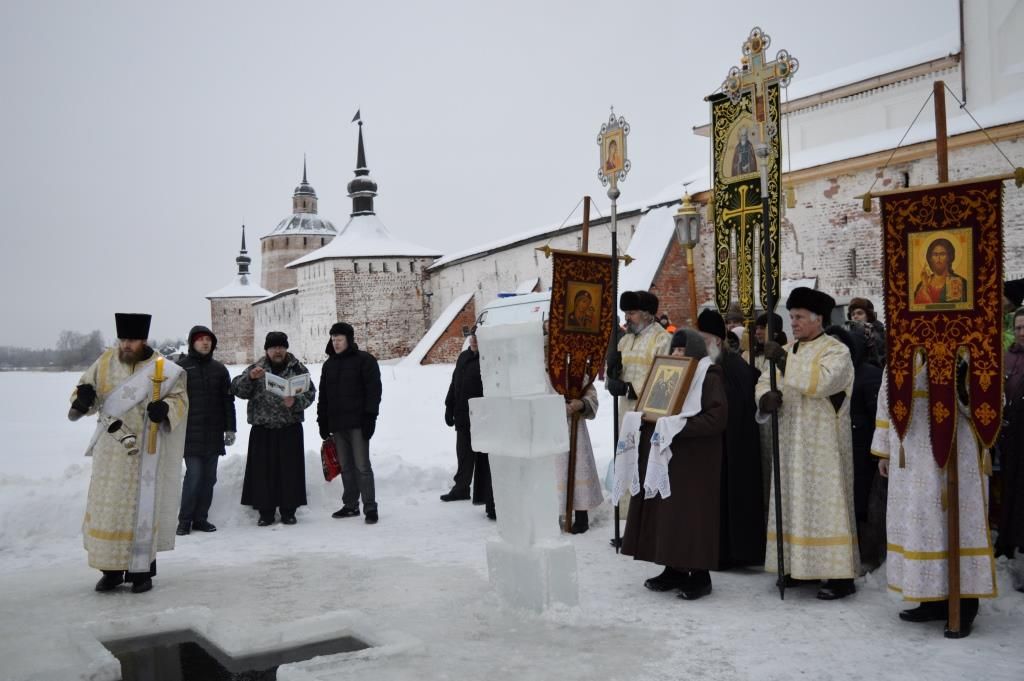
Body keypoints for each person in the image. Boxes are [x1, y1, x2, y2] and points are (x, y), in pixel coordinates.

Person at [872, 354, 996, 637]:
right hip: (911, 461)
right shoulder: (902, 355)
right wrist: (884, 451)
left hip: (954, 457)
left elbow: (990, 407)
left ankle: (964, 605)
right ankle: (933, 599)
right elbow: (885, 402)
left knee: (955, 527)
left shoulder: (967, 352)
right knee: (922, 529)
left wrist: (964, 387)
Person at [69, 313, 188, 594]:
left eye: (131, 340)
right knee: (108, 511)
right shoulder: (105, 361)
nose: (125, 345)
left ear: (143, 340)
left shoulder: (163, 368)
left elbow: (179, 398)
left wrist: (165, 409)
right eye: (122, 339)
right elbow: (87, 390)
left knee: (141, 510)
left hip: (146, 450)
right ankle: (109, 571)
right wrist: (83, 398)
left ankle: (141, 572)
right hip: (111, 450)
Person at [756, 287, 859, 600]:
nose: (794, 322)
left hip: (822, 445)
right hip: (790, 441)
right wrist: (765, 398)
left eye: (799, 317)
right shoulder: (787, 349)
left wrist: (785, 362)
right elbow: (763, 381)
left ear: (819, 319)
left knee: (825, 505)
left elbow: (822, 382)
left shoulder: (836, 350)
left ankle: (839, 576)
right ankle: (796, 567)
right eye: (792, 317)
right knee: (792, 502)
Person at [621, 329, 727, 599]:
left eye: (682, 350)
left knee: (691, 518)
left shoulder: (709, 375)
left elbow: (717, 418)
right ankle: (674, 568)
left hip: (695, 461)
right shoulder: (667, 372)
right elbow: (658, 407)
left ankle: (700, 576)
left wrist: (678, 427)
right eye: (675, 350)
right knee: (668, 516)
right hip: (669, 457)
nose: (678, 355)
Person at [697, 309, 765, 568]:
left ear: (716, 340)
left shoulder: (734, 366)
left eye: (704, 340)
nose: (701, 346)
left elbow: (738, 404)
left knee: (735, 497)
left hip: (737, 444)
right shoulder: (711, 363)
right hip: (717, 442)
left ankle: (736, 553)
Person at [232, 332, 315, 526]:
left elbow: (311, 393)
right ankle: (265, 512)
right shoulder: (256, 368)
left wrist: (295, 401)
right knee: (263, 473)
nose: (278, 351)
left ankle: (289, 511)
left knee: (290, 472)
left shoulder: (298, 368)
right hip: (263, 428)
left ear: (286, 348)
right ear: (267, 350)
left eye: (281, 347)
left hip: (289, 427)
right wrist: (250, 379)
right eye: (273, 347)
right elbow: (237, 389)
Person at [827, 323, 884, 569]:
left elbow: (876, 415)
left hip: (863, 451)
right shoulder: (832, 375)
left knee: (863, 504)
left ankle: (868, 555)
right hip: (838, 448)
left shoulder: (868, 374)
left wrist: (875, 449)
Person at [318, 322, 383, 525]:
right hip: (338, 424)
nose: (336, 343)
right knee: (346, 467)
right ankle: (351, 505)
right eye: (333, 339)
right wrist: (322, 421)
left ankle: (370, 507)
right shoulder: (328, 365)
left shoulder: (365, 360)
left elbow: (374, 391)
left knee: (362, 466)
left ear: (349, 340)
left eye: (339, 339)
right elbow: (324, 397)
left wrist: (370, 417)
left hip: (358, 422)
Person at [175, 325, 235, 536]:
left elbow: (228, 400)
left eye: (208, 339)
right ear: (192, 343)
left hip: (213, 433)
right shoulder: (181, 368)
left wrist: (230, 428)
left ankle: (201, 518)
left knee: (209, 478)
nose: (205, 342)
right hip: (189, 433)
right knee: (194, 475)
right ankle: (184, 521)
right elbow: (172, 400)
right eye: (200, 339)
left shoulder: (219, 369)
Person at [442, 327, 494, 519]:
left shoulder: (487, 359)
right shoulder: (463, 357)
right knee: (463, 453)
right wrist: (449, 406)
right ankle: (461, 488)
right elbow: (454, 382)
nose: (474, 340)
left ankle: (487, 494)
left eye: (478, 338)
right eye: (472, 337)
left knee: (482, 458)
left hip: (481, 416)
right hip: (463, 415)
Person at [745, 311, 786, 519]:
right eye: (757, 328)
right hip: (757, 421)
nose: (759, 332)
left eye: (763, 328)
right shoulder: (748, 354)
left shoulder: (785, 353)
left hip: (778, 422)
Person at [996, 307, 1024, 568]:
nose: (1021, 332)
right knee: (1009, 489)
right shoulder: (1006, 357)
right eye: (1017, 327)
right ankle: (1005, 540)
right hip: (1009, 436)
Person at [558, 376, 602, 534]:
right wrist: (558, 407)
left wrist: (582, 404)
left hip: (576, 429)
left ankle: (581, 516)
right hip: (550, 430)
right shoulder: (539, 371)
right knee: (553, 473)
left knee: (577, 468)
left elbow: (591, 395)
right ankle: (552, 516)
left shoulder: (577, 368)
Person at [913, 238, 968, 305]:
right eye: (935, 254)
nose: (938, 258)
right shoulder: (922, 285)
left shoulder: (959, 282)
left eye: (942, 254)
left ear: (949, 257)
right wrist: (924, 286)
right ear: (930, 258)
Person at [846, 297, 886, 367]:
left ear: (868, 316)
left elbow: (880, 358)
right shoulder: (849, 335)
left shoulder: (879, 332)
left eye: (859, 313)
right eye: (853, 314)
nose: (855, 316)